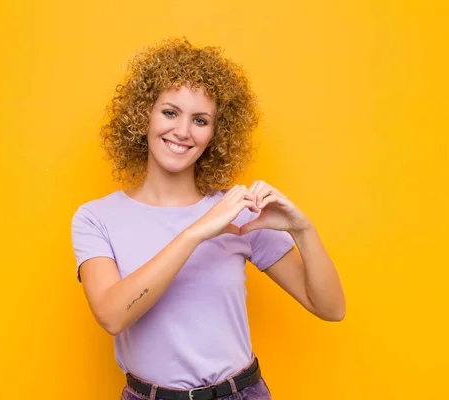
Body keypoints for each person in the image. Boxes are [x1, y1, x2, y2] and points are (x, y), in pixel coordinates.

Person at [71, 37, 345, 400]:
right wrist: (196, 232)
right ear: (143, 116)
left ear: (215, 134)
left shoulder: (238, 213)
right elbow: (112, 315)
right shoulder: (96, 218)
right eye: (170, 112)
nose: (183, 131)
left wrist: (303, 230)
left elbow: (331, 308)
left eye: (200, 120)